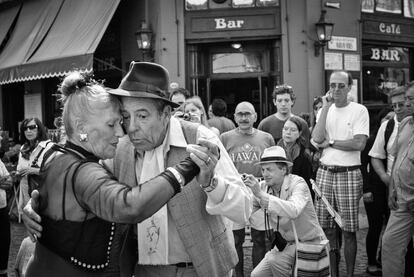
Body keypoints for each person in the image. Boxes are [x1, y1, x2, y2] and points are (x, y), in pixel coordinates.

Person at [24, 62, 251, 277]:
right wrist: (37, 206)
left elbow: (244, 209)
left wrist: (212, 184)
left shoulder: (200, 138)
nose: (130, 128)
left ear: (165, 114)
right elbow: (88, 186)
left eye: (142, 116)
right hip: (141, 270)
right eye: (125, 117)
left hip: (200, 269)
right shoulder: (119, 148)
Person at [312, 70, 369, 277]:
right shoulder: (324, 110)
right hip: (325, 172)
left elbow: (359, 143)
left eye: (341, 85)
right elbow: (318, 139)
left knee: (349, 230)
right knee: (326, 230)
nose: (336, 89)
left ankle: (351, 273)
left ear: (349, 87)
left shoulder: (359, 110)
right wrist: (326, 107)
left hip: (348, 173)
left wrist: (333, 142)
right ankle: (333, 273)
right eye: (333, 85)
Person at [244, 146, 326, 277]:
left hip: (309, 244)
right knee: (256, 275)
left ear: (283, 169)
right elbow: (245, 211)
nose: (264, 174)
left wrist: (260, 194)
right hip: (285, 245)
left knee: (273, 261)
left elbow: (293, 210)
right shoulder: (262, 186)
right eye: (263, 169)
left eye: (269, 170)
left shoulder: (298, 183)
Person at [220, 101, 275, 276]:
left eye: (247, 114)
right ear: (234, 117)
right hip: (234, 190)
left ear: (255, 116)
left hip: (259, 189)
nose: (244, 118)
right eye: (240, 114)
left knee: (261, 238)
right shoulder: (225, 138)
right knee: (235, 239)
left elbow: (273, 165)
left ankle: (257, 274)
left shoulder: (266, 138)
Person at [365, 87, 411, 275]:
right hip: (398, 194)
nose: (403, 106)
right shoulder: (398, 125)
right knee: (390, 242)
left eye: (408, 101)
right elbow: (384, 157)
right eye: (397, 104)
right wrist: (389, 182)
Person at [382, 81, 414, 277]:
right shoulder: (404, 124)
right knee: (390, 245)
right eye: (407, 99)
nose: (408, 103)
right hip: (402, 199)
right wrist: (391, 190)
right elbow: (395, 161)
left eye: (412, 99)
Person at [16, 118, 53, 215]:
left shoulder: (49, 147)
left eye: (32, 127)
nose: (28, 131)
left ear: (39, 129)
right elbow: (21, 174)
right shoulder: (23, 148)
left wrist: (34, 170)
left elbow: (56, 173)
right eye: (25, 128)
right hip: (26, 197)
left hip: (44, 199)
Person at [277, 117, 314, 200]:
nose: (288, 132)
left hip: (297, 196)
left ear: (299, 133)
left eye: (293, 130)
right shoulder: (275, 149)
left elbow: (306, 183)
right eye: (285, 129)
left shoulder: (304, 155)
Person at [0, 134, 13, 277]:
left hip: (2, 208)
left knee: (4, 241)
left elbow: (9, 182)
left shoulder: (0, 162)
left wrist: (3, 181)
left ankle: (3, 272)